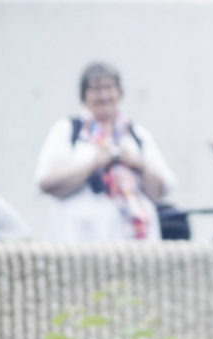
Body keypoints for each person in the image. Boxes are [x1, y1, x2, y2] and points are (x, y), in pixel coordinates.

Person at [34, 62, 175, 244]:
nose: (104, 96)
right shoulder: (69, 130)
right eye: (96, 89)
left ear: (119, 92)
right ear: (84, 94)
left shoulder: (135, 133)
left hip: (133, 241)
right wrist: (92, 164)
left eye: (110, 88)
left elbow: (161, 190)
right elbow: (46, 182)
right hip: (80, 240)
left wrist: (139, 165)